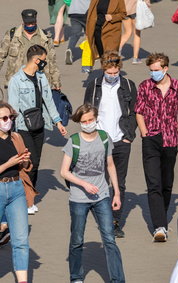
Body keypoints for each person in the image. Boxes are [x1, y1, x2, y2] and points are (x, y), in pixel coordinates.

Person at [60, 104, 125, 283]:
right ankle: (76, 277)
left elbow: (110, 165)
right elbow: (64, 172)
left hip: (102, 196)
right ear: (79, 122)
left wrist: (117, 193)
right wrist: (84, 184)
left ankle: (118, 280)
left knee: (110, 240)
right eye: (84, 121)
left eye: (91, 120)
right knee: (77, 240)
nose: (88, 123)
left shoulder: (104, 138)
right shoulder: (73, 141)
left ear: (96, 118)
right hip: (78, 198)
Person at [135, 53, 178, 242]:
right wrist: (144, 131)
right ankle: (160, 227)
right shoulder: (145, 86)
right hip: (150, 138)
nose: (153, 73)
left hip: (170, 139)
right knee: (153, 183)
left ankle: (162, 212)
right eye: (151, 70)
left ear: (165, 69)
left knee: (166, 183)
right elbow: (138, 110)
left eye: (156, 70)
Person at [84, 50, 137, 238]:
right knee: (99, 180)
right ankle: (103, 217)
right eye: (110, 72)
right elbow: (87, 112)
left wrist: (128, 136)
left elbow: (133, 112)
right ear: (103, 69)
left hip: (121, 140)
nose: (113, 76)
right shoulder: (94, 85)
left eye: (116, 73)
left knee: (118, 183)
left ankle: (114, 221)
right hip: (100, 140)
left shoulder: (128, 86)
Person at [8, 45, 67, 214]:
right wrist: (13, 132)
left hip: (39, 126)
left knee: (36, 163)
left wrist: (58, 122)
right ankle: (26, 200)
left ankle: (28, 196)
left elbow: (48, 101)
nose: (45, 63)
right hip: (23, 128)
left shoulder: (41, 78)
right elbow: (13, 108)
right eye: (44, 59)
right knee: (28, 163)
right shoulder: (16, 80)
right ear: (36, 60)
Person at [0, 101, 31, 283]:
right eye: (4, 118)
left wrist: (24, 160)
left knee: (20, 240)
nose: (8, 121)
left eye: (11, 117)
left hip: (17, 188)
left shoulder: (16, 138)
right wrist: (9, 164)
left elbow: (25, 167)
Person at [0, 9, 61, 90]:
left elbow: (52, 60)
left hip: (39, 82)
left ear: (36, 21)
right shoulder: (12, 35)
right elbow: (1, 56)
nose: (30, 25)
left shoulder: (45, 37)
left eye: (32, 23)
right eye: (28, 23)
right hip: (16, 82)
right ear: (23, 21)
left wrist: (56, 81)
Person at [86, 0, 126, 65]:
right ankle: (105, 73)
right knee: (103, 56)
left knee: (111, 56)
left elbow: (123, 14)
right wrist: (88, 31)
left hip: (112, 31)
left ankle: (114, 73)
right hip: (97, 30)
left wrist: (112, 17)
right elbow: (91, 14)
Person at [119, 0, 151, 64]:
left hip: (124, 9)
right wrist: (148, 5)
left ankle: (118, 50)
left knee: (127, 33)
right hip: (136, 9)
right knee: (137, 34)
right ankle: (135, 58)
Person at [65, 0, 91, 65]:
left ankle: (69, 49)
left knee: (75, 34)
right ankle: (89, 53)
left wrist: (70, 4)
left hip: (74, 11)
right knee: (89, 33)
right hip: (87, 11)